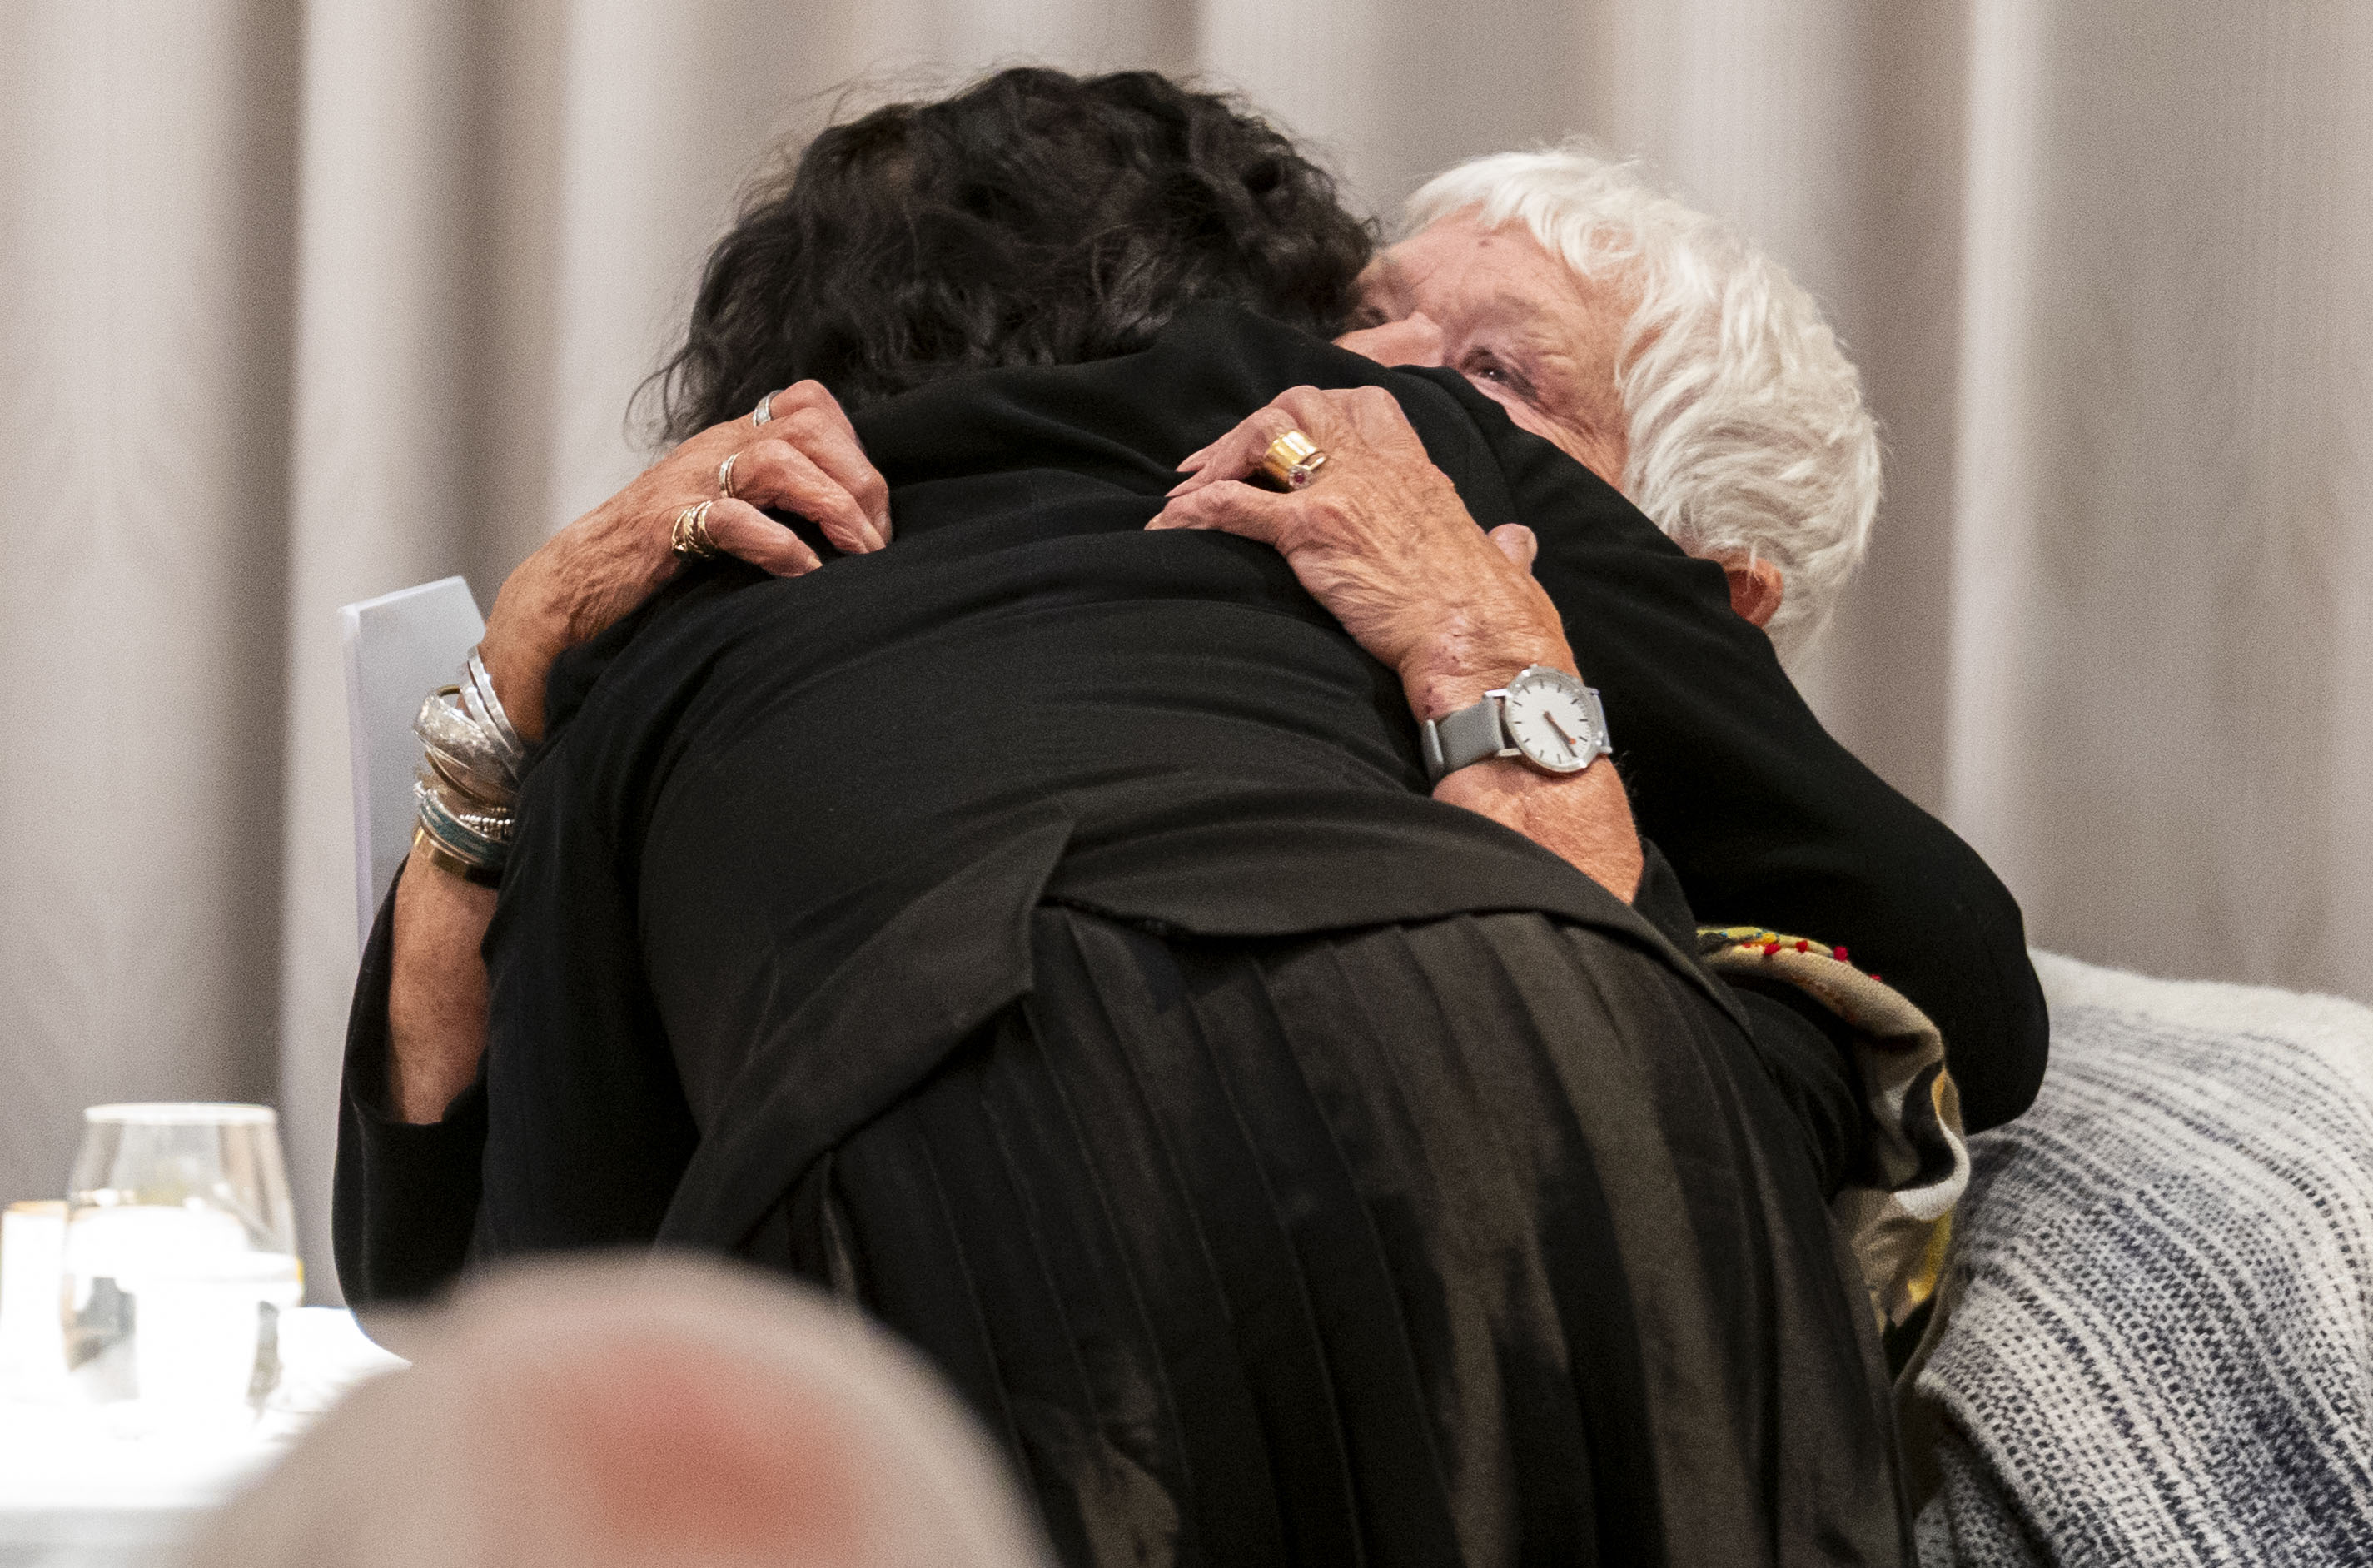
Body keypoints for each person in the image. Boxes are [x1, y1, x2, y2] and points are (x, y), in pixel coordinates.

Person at [338, 67, 2035, 1564]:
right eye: (1363, 312)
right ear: (1259, 308)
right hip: (1538, 1084)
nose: (1372, 370)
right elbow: (1964, 975)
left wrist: (501, 719)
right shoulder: (1378, 459)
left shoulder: (677, 597)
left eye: (1483, 366)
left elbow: (495, 1287)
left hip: (932, 1158)